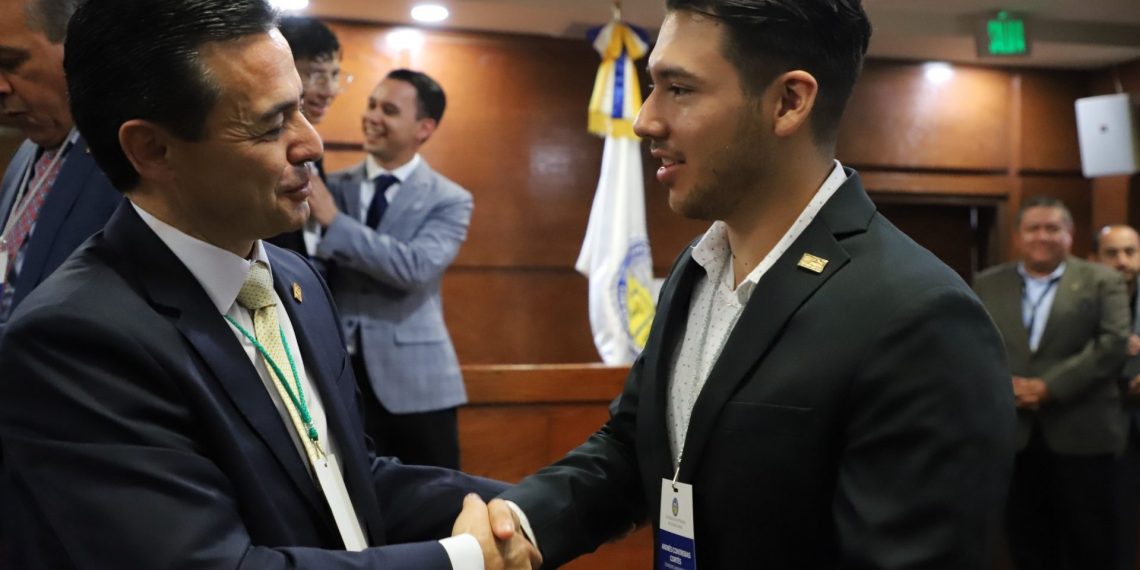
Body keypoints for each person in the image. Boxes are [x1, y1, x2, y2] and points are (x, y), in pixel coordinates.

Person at [0, 0, 540, 567]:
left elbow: (343, 479)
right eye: (271, 124)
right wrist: (463, 559)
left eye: (302, 108)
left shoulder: (295, 280)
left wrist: (537, 507)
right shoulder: (76, 340)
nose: (312, 145)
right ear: (153, 149)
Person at [488, 0, 1016, 567]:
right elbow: (634, 443)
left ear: (788, 102)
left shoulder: (921, 316)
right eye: (653, 86)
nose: (645, 120)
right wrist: (518, 522)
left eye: (679, 89)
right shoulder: (697, 267)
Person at [310, 69, 471, 469]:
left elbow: (414, 267)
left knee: (434, 494)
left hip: (418, 386)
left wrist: (335, 222)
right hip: (339, 377)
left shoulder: (450, 199)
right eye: (371, 105)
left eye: (389, 110)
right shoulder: (331, 185)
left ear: (424, 128)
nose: (372, 117)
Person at [974, 198, 1129, 570]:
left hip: (1083, 436)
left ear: (1069, 235)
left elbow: (1113, 344)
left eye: (1053, 228)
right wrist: (1004, 385)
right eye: (1033, 228)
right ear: (1017, 236)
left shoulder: (1102, 281)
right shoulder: (987, 283)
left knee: (1091, 546)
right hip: (1014, 437)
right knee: (1027, 543)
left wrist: (1048, 388)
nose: (1042, 236)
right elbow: (974, 342)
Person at [0, 0, 121, 336]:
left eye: (9, 62)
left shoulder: (128, 161)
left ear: (77, 46)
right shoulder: (27, 153)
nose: (0, 87)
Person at [265, 15, 345, 258]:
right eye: (317, 75)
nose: (330, 90)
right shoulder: (263, 148)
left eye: (335, 75)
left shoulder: (313, 147)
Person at [1091, 224, 1140, 570]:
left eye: (1130, 252)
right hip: (1096, 426)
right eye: (1112, 253)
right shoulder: (1079, 296)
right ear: (1095, 258)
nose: (1122, 261)